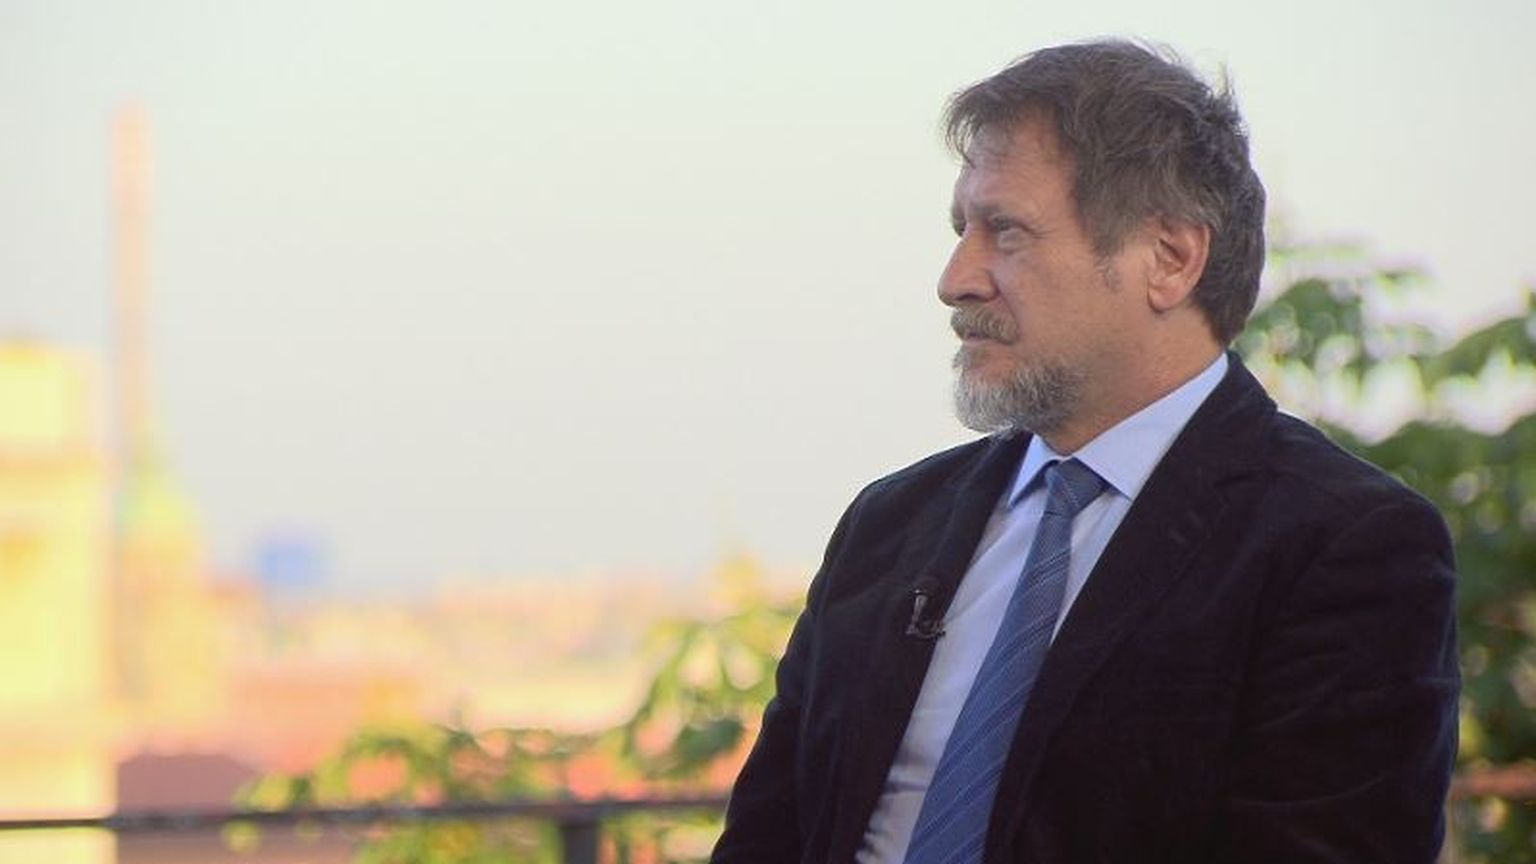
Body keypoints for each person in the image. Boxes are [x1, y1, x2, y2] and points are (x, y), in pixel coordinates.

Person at [709, 39, 1459, 864]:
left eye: (1006, 232)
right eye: (962, 229)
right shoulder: (889, 525)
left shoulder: (1342, 546)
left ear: (1170, 259)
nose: (957, 279)